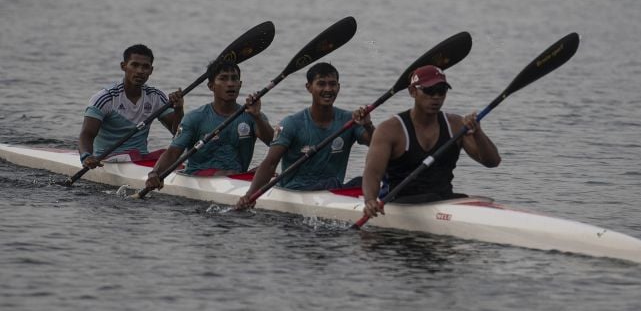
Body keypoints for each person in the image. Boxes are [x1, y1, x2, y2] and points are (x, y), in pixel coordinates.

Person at [361, 65, 501, 218]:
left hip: (443, 202)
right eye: (429, 91)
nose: (436, 97)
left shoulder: (456, 125)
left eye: (441, 91)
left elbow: (492, 162)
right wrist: (370, 201)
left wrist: (478, 133)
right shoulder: (390, 130)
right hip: (400, 203)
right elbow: (372, 173)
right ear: (413, 91)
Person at [236, 62, 375, 209]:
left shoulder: (349, 120)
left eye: (332, 84)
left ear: (338, 87)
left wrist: (367, 125)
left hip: (332, 190)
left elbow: (377, 145)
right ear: (309, 87)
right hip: (296, 191)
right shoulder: (292, 123)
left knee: (365, 181)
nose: (328, 89)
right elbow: (270, 163)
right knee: (332, 183)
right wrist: (249, 195)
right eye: (321, 84)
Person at [144, 60, 274, 190]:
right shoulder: (195, 117)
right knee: (231, 174)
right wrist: (155, 173)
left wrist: (257, 118)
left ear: (240, 85)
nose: (230, 84)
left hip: (236, 178)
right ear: (211, 86)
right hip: (198, 176)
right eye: (223, 79)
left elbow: (274, 143)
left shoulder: (252, 115)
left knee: (271, 173)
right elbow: (173, 153)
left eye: (234, 79)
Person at [78, 44, 184, 169]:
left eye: (145, 67)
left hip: (140, 158)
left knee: (167, 154)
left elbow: (178, 133)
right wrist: (86, 157)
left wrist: (178, 109)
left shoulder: (155, 97)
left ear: (151, 70)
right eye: (134, 65)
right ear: (123, 66)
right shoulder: (105, 98)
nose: (140, 71)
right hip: (107, 160)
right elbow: (86, 134)